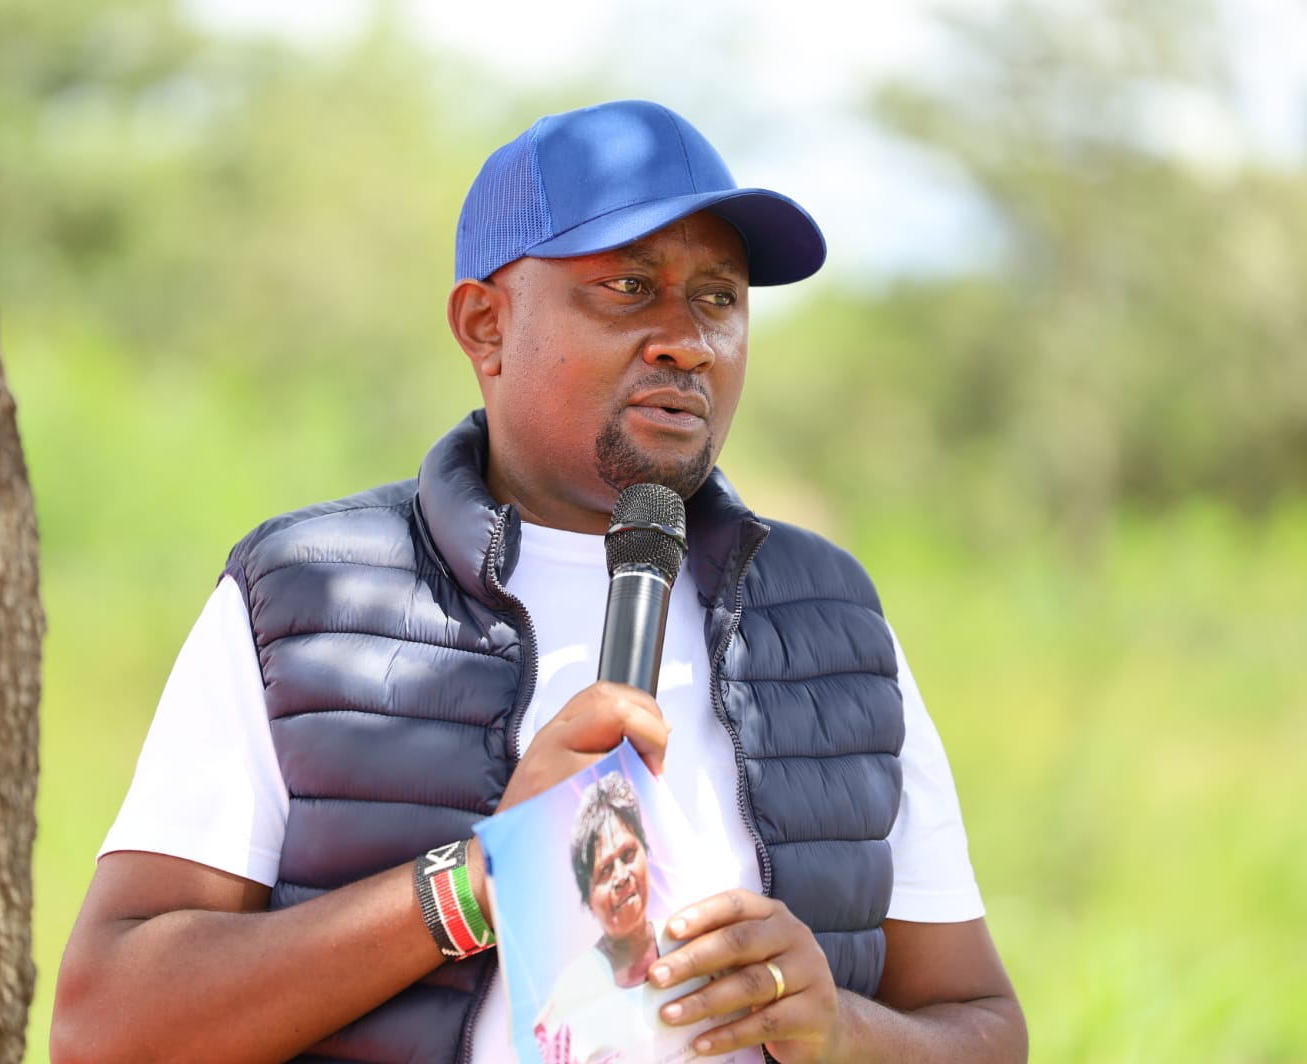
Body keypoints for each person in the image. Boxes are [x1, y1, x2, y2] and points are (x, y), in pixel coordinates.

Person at [52, 99, 1027, 1064]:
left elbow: (979, 1024)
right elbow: (107, 1031)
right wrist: (481, 878)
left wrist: (840, 1029)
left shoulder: (827, 622)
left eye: (719, 298)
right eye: (629, 287)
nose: (687, 340)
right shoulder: (306, 603)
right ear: (486, 326)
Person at [533, 773, 674, 1063]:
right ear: (588, 897)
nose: (622, 876)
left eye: (628, 854)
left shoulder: (686, 939)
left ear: (646, 852)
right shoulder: (570, 996)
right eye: (605, 870)